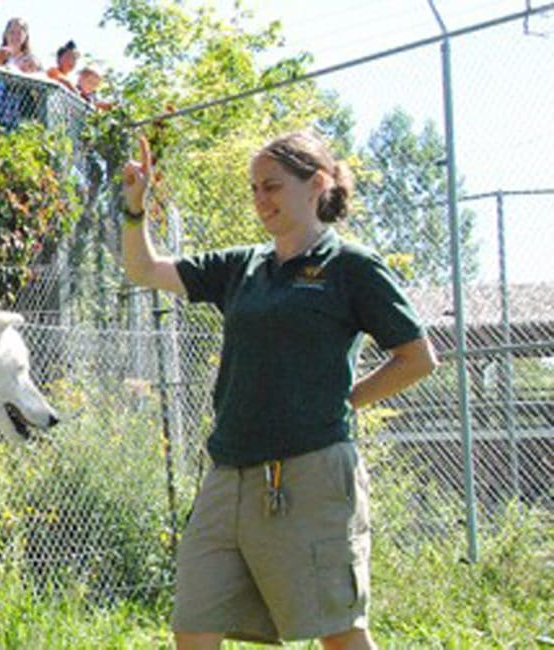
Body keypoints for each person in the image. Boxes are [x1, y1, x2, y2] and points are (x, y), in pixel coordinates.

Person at [119, 130, 438, 650]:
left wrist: (347, 400)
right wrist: (135, 210)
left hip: (313, 472)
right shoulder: (242, 268)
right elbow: (144, 269)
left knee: (338, 630)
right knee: (193, 623)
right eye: (253, 189)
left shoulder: (351, 267)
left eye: (271, 186)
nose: (259, 200)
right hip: (229, 475)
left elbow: (417, 358)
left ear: (316, 185)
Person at [0, 16, 40, 132]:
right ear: (5, 34)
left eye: (19, 33)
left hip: (18, 118)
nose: (15, 36)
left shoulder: (30, 59)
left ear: (25, 36)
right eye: (12, 32)